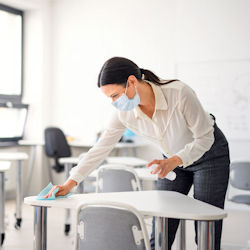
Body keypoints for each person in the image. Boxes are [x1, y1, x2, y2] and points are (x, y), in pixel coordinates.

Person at [44, 56, 230, 250]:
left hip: (210, 155)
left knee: (207, 228)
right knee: (161, 230)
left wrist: (175, 160)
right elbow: (100, 148)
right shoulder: (123, 113)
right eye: (109, 98)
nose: (114, 103)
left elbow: (205, 138)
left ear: (132, 81)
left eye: (115, 95)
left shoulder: (179, 93)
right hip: (171, 159)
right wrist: (69, 183)